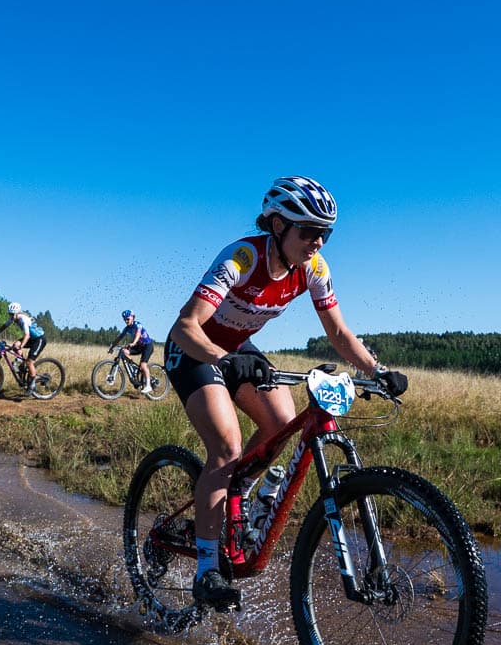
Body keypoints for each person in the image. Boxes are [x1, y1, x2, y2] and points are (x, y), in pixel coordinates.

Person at [164, 175, 408, 610]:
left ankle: (237, 490)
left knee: (280, 423)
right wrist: (220, 359)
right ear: (277, 225)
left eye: (326, 233)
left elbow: (338, 332)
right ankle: (206, 569)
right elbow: (186, 326)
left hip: (238, 350)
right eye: (309, 231)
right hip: (194, 349)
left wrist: (378, 370)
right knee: (226, 446)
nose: (318, 242)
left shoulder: (314, 268)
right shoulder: (242, 258)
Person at [109, 309, 154, 394]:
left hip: (147, 346)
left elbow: (138, 334)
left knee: (143, 365)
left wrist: (133, 343)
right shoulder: (127, 328)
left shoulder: (138, 324)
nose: (126, 321)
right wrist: (112, 347)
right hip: (138, 346)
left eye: (127, 319)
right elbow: (119, 337)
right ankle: (133, 369)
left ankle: (148, 386)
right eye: (124, 319)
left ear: (133, 317)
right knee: (124, 351)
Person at [0, 302, 45, 381]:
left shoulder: (23, 319)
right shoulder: (13, 318)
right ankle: (21, 365)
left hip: (39, 339)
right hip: (31, 338)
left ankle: (32, 385)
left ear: (17, 313)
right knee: (15, 345)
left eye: (12, 314)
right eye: (10, 314)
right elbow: (5, 326)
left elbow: (27, 335)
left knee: (29, 362)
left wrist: (21, 346)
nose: (11, 316)